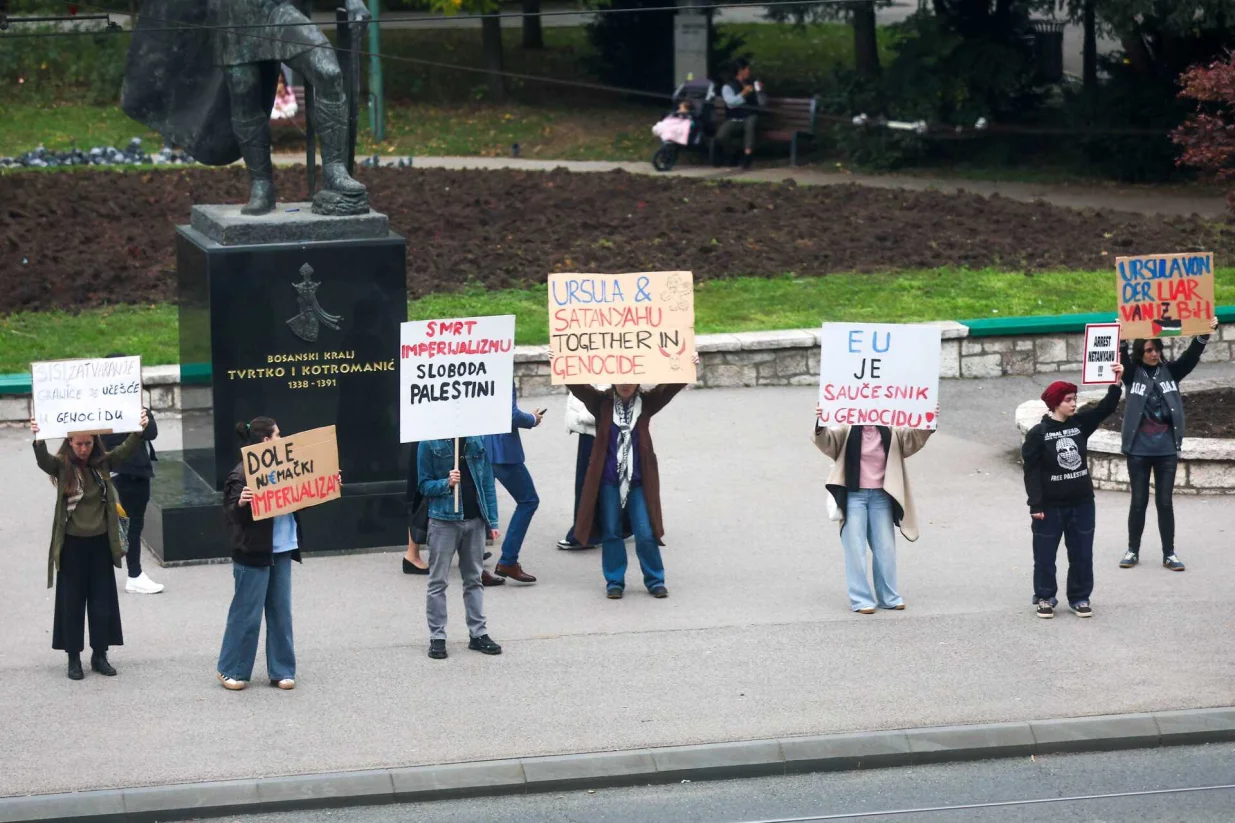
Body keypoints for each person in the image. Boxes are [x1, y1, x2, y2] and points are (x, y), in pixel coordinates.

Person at [566, 355, 697, 600]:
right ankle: (614, 581)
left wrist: (688, 364)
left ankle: (655, 580)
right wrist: (559, 362)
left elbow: (671, 387)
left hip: (638, 481)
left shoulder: (647, 403)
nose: (626, 383)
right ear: (612, 380)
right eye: (620, 378)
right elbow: (577, 386)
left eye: (631, 378)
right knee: (611, 532)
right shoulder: (601, 403)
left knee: (645, 532)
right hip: (608, 481)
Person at [32, 411, 149, 680]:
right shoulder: (62, 466)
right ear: (70, 443)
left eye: (88, 443)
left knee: (101, 602)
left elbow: (125, 450)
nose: (83, 449)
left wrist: (138, 430)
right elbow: (43, 460)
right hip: (72, 546)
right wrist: (38, 439)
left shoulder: (102, 463)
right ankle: (73, 658)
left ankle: (100, 655)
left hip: (100, 545)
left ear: (95, 442)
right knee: (71, 603)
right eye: (78, 444)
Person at [217, 417, 326, 691]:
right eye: (279, 435)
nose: (283, 439)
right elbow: (232, 516)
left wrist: (326, 482)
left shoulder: (289, 467)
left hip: (282, 549)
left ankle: (282, 670)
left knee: (280, 613)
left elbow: (302, 498)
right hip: (252, 552)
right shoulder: (241, 474)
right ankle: (231, 669)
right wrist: (242, 504)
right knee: (247, 614)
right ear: (266, 441)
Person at [1117, 316, 1218, 572]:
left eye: (1157, 349)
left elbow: (1191, 357)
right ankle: (1132, 550)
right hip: (1138, 451)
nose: (1154, 353)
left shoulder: (1170, 371)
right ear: (1140, 353)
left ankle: (1169, 554)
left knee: (1164, 503)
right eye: (1149, 350)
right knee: (1138, 502)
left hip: (1166, 451)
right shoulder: (1132, 374)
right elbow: (1123, 358)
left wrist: (1204, 334)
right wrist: (1121, 336)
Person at [1021, 367, 1124, 620]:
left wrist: (1116, 383)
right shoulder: (1038, 434)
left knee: (1082, 554)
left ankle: (1079, 597)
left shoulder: (1080, 424)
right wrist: (1036, 505)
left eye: (1074, 399)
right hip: (1050, 507)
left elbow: (1104, 409)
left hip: (1082, 503)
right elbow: (1032, 472)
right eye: (1068, 400)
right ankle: (1045, 597)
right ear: (1056, 403)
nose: (1073, 403)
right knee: (1045, 556)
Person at [812, 407, 935, 614]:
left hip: (881, 496)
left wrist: (928, 419)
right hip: (853, 496)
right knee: (855, 549)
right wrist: (821, 421)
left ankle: (889, 597)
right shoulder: (846, 427)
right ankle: (861, 600)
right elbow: (827, 441)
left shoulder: (891, 427)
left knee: (885, 548)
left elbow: (912, 440)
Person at [418, 437, 503, 659]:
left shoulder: (476, 441)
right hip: (443, 520)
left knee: (474, 578)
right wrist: (446, 483)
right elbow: (423, 485)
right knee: (438, 581)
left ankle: (478, 633)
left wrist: (492, 521)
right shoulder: (429, 443)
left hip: (475, 520)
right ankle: (437, 637)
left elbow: (487, 483)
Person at [101, 354, 164, 595]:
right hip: (129, 474)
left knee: (128, 525)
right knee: (131, 526)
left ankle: (131, 574)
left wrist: (143, 416)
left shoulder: (125, 406)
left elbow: (152, 432)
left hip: (126, 473)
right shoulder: (115, 409)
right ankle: (135, 574)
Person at [483, 386, 543, 583]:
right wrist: (532, 419)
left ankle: (474, 564)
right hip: (501, 449)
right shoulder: (502, 372)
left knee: (479, 503)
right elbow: (511, 415)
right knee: (528, 501)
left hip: (478, 444)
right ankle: (508, 560)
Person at [557, 387, 603, 551]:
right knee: (603, 480)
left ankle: (585, 533)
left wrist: (582, 416)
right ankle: (625, 523)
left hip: (596, 430)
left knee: (589, 483)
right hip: (592, 430)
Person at [716, 58, 766, 169]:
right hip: (735, 118)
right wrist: (743, 94)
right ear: (740, 70)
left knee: (750, 123)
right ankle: (733, 153)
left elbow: (762, 103)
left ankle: (748, 155)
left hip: (751, 116)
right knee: (721, 135)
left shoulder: (752, 84)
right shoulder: (728, 87)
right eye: (747, 69)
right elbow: (731, 103)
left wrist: (760, 91)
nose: (749, 71)